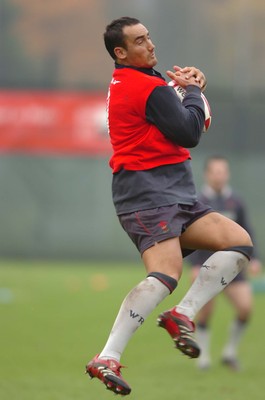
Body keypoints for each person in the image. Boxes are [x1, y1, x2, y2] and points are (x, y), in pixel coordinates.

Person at [86, 17, 253, 396]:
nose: (150, 44)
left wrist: (187, 87)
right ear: (120, 52)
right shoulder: (145, 87)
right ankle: (107, 356)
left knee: (238, 242)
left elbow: (169, 104)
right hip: (148, 192)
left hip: (174, 190)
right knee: (166, 274)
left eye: (148, 37)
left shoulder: (137, 81)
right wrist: (192, 92)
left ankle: (182, 315)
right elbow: (190, 131)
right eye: (140, 41)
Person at [187, 155, 262, 370]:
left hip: (234, 268)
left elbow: (248, 230)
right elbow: (188, 235)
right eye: (215, 171)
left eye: (223, 171)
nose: (219, 176)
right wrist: (193, 265)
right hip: (206, 267)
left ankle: (229, 352)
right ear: (207, 174)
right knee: (206, 312)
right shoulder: (197, 201)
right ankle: (203, 357)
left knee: (245, 308)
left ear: (227, 174)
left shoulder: (235, 201)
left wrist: (254, 258)